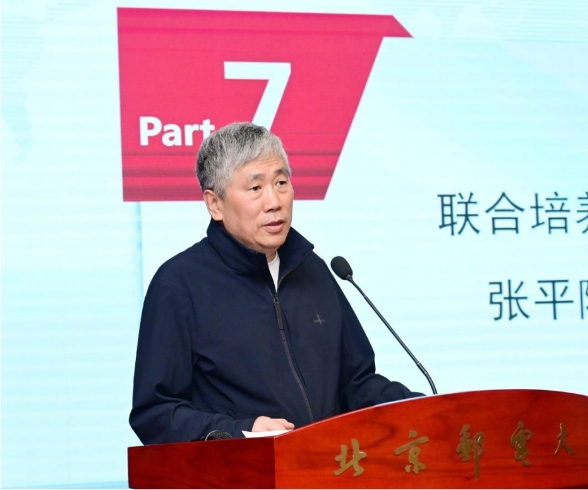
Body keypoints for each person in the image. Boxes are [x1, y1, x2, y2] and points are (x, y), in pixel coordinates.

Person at [129, 122, 422, 444]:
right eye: (255, 188)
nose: (274, 201)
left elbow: (356, 384)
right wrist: (241, 431)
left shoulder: (313, 270)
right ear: (215, 204)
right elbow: (156, 414)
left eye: (281, 182)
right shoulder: (179, 285)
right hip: (243, 467)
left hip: (328, 464)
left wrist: (423, 408)